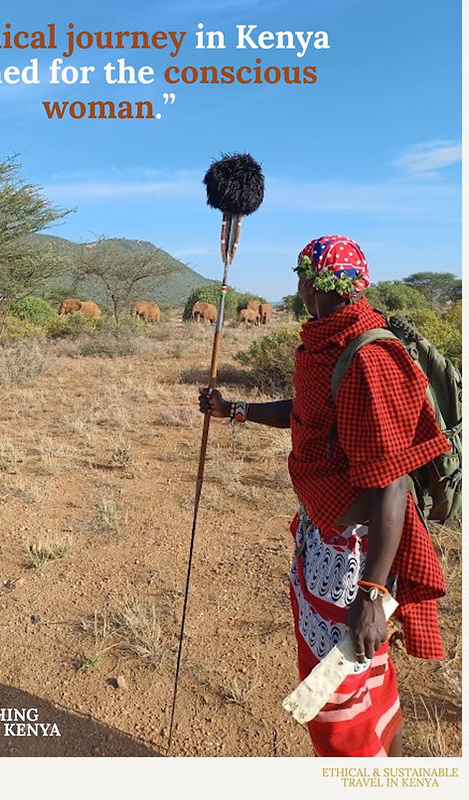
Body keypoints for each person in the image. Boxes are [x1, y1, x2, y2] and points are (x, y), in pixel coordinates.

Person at [199, 234, 449, 757]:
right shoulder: (328, 345)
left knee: (337, 688)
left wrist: (371, 593)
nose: (297, 289)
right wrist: (235, 411)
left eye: (300, 278)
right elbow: (308, 412)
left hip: (354, 553)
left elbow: (391, 482)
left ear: (316, 285)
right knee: (359, 670)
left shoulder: (368, 359)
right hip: (323, 535)